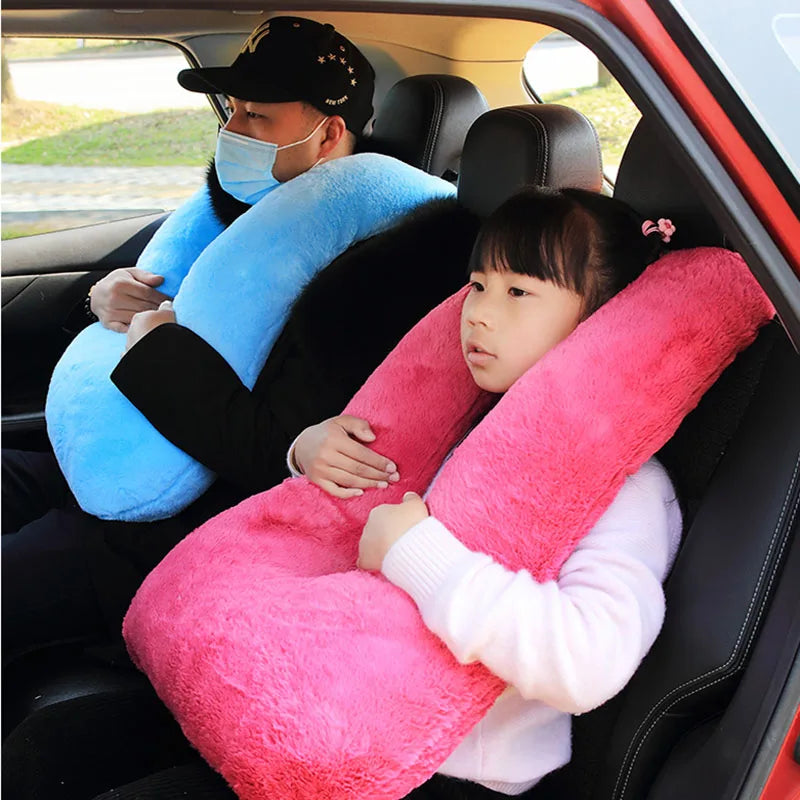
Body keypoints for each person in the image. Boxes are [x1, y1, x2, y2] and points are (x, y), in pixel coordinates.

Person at [85, 186, 683, 798]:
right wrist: (305, 452)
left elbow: (587, 661)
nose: (478, 312)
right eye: (478, 284)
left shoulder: (623, 485)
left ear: (605, 319)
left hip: (449, 770)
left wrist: (414, 552)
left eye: (518, 292)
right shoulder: (458, 416)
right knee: (73, 743)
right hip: (331, 708)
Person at [1, 15, 380, 664]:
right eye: (231, 110)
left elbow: (274, 451)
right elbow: (157, 290)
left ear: (328, 134)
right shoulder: (246, 211)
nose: (231, 131)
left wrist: (153, 348)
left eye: (256, 116)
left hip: (168, 525)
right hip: (94, 457)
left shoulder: (367, 264)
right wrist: (104, 298)